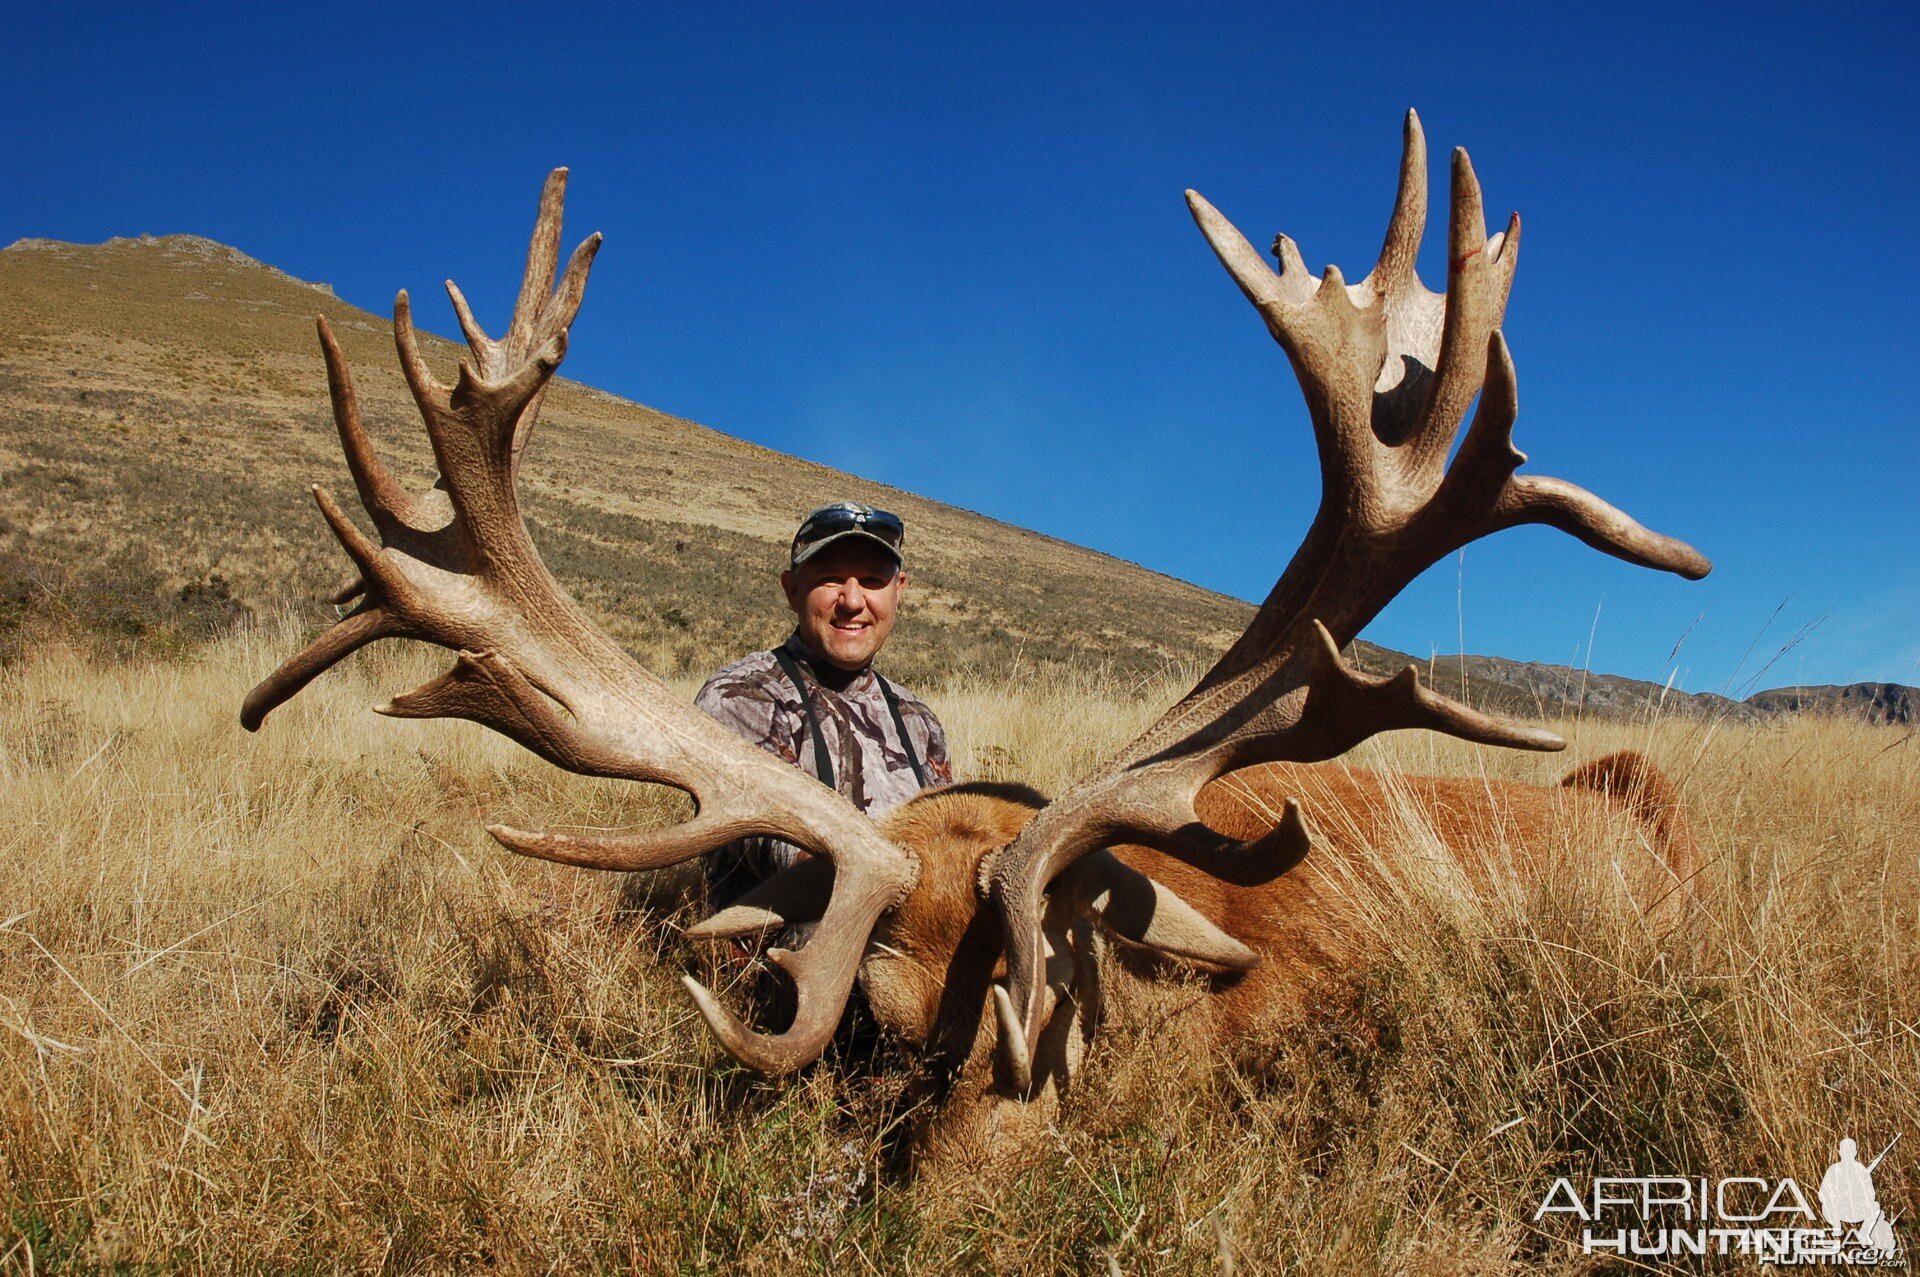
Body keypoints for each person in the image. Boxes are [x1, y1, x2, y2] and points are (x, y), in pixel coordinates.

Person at [695, 501, 952, 906]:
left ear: (898, 590)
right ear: (791, 590)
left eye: (871, 581)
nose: (852, 601)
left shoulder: (917, 719)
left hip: (914, 925)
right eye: (831, 579)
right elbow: (765, 837)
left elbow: (948, 841)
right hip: (789, 943)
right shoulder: (743, 694)